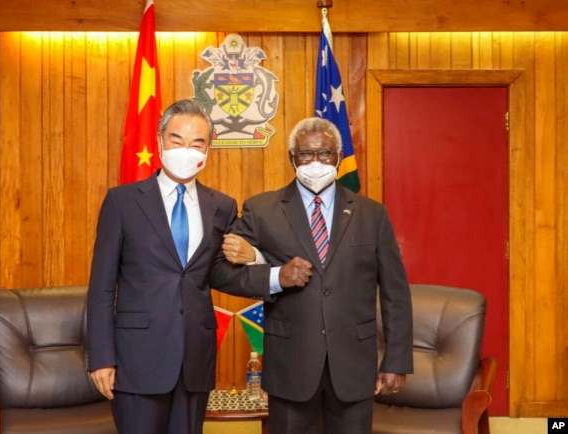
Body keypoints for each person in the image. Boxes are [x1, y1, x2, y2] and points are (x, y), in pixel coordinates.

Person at [86, 99, 272, 434]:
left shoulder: (221, 206)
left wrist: (256, 258)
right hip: (137, 359)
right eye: (177, 140)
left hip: (195, 360)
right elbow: (100, 287)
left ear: (208, 148)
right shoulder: (122, 202)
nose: (186, 150)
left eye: (197, 142)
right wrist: (101, 357)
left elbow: (218, 274)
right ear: (159, 142)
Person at [220, 117, 414, 434]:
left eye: (324, 153)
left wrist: (396, 360)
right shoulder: (262, 209)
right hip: (290, 366)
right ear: (291, 158)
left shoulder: (372, 214)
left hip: (353, 365)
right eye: (305, 155)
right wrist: (276, 277)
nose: (315, 162)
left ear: (338, 156)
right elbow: (222, 274)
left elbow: (395, 292)